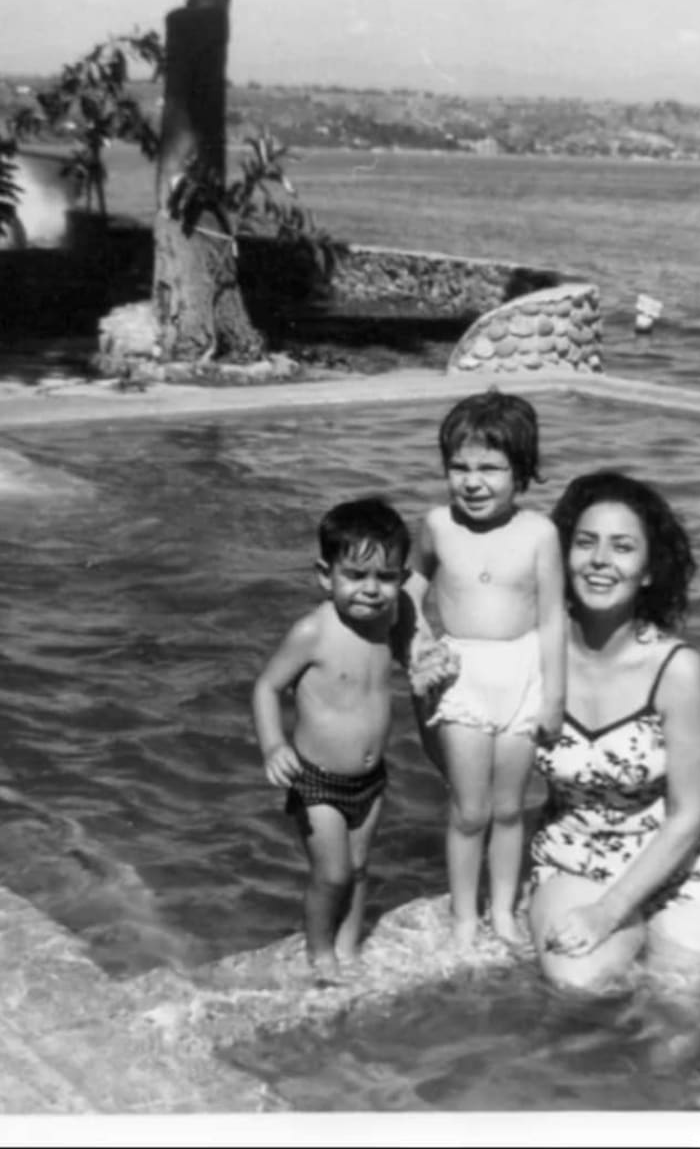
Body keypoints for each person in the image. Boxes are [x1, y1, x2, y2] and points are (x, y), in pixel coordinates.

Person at [528, 470, 700, 997]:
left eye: (622, 548)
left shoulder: (676, 669)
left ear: (647, 572)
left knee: (678, 1004)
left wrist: (611, 912)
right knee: (578, 984)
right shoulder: (533, 653)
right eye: (585, 543)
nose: (601, 561)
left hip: (678, 858)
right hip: (575, 850)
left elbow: (688, 814)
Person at [406, 389, 567, 948]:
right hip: (461, 677)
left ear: (520, 471)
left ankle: (501, 909)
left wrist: (555, 696)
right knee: (469, 807)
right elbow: (412, 584)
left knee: (508, 807)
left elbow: (552, 619)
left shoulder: (539, 534)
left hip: (524, 676)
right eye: (460, 468)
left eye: (491, 469)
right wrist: (418, 636)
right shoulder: (437, 525)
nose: (473, 482)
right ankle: (463, 917)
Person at [252, 496, 431, 981]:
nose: (371, 590)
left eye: (385, 577)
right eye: (355, 576)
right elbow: (267, 686)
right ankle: (320, 953)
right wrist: (273, 745)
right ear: (324, 575)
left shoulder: (387, 618)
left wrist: (425, 656)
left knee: (358, 868)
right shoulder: (313, 631)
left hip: (370, 778)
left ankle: (349, 948)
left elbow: (419, 587)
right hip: (317, 780)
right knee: (331, 873)